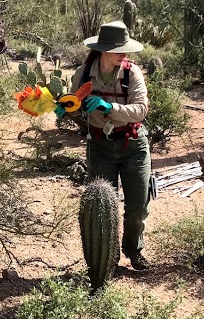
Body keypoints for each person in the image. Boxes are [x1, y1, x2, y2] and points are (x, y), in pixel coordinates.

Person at [56, 20, 151, 269]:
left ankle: (134, 250)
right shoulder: (83, 73)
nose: (124, 54)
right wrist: (64, 109)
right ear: (103, 50)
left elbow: (141, 110)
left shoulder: (131, 73)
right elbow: (75, 107)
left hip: (133, 145)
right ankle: (108, 258)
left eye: (125, 49)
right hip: (99, 146)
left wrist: (110, 107)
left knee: (137, 208)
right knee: (102, 209)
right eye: (118, 49)